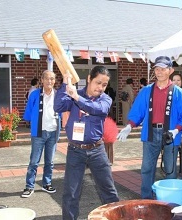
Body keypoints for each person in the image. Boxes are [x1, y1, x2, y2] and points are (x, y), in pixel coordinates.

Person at [117, 56, 182, 199]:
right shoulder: (147, 90)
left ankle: (169, 200)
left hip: (170, 133)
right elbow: (138, 110)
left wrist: (177, 129)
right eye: (157, 69)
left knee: (170, 169)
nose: (159, 72)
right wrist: (129, 126)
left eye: (163, 69)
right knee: (147, 168)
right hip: (150, 132)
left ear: (171, 70)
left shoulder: (177, 92)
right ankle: (147, 198)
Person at [54, 66, 119, 219]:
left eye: (104, 85)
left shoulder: (105, 99)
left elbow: (98, 109)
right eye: (98, 83)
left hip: (97, 150)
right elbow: (58, 106)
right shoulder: (74, 94)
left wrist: (77, 97)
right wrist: (65, 84)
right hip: (75, 150)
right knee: (71, 193)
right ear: (89, 78)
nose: (101, 88)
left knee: (108, 190)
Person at [21, 70, 60, 198]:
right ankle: (29, 186)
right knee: (34, 161)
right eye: (47, 79)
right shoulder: (35, 94)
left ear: (55, 81)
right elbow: (28, 112)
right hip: (39, 132)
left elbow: (62, 111)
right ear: (42, 80)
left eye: (52, 79)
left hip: (53, 132)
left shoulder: (58, 95)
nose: (50, 81)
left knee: (50, 161)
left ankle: (46, 184)